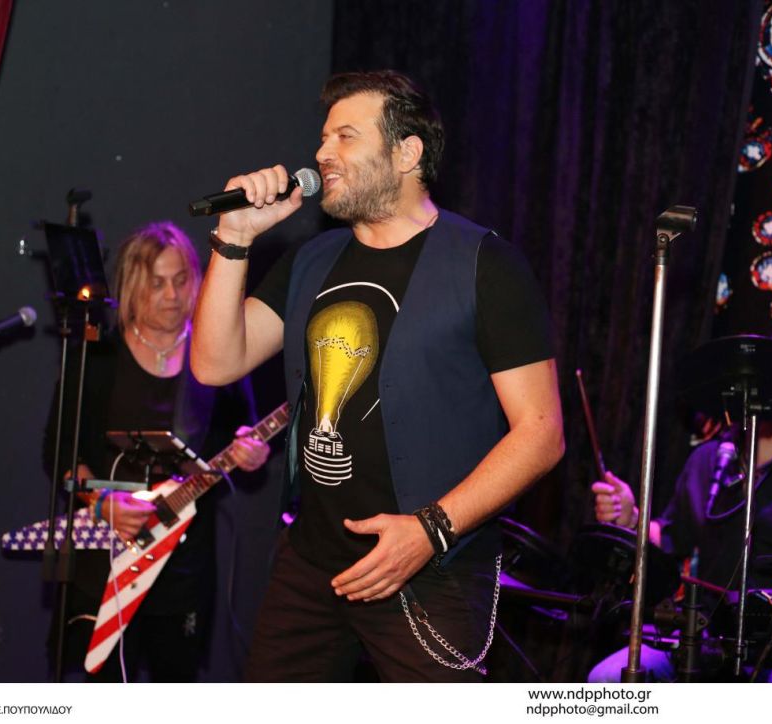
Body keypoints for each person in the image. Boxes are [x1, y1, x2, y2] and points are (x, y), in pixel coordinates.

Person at [191, 70, 565, 681]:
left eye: (345, 136)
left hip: (434, 566)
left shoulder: (484, 264)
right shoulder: (311, 259)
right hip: (313, 563)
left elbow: (542, 432)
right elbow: (213, 364)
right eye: (322, 138)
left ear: (407, 153)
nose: (321, 153)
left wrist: (430, 530)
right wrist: (233, 239)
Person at [44, 221, 269, 682]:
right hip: (103, 564)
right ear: (132, 286)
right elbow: (59, 450)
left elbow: (246, 434)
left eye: (180, 280)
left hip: (183, 571)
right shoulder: (99, 359)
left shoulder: (217, 357)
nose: (171, 295)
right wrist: (100, 502)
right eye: (157, 283)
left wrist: (252, 452)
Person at [590, 333, 772, 682]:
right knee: (607, 677)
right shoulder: (707, 460)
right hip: (705, 636)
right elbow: (672, 539)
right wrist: (632, 520)